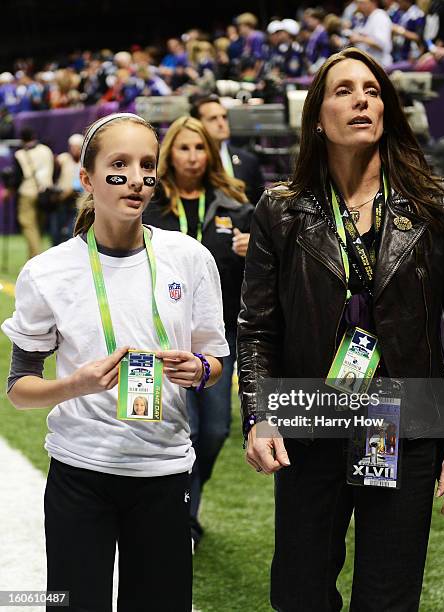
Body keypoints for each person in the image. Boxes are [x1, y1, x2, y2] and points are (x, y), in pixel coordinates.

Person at [238, 48, 444, 611]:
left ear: (387, 110)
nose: (362, 100)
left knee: (388, 597)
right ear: (317, 114)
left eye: (372, 91)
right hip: (310, 419)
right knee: (299, 594)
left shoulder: (435, 202)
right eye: (344, 89)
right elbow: (257, 329)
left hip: (405, 420)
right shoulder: (280, 210)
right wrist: (259, 416)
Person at [2, 112, 229, 611]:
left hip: (165, 473)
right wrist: (75, 385)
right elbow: (19, 388)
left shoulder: (189, 259)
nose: (135, 178)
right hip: (81, 473)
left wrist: (200, 370)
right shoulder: (48, 272)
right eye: (118, 164)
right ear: (87, 178)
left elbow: (213, 359)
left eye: (147, 164)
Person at [143, 115, 254, 549]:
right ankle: (181, 519)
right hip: (160, 338)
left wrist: (255, 253)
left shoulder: (235, 206)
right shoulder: (150, 203)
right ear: (169, 152)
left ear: (210, 153)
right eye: (183, 147)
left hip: (215, 338)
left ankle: (186, 495)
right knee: (180, 429)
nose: (191, 156)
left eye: (199, 148)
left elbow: (263, 279)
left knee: (214, 431)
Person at [190, 94, 265, 205]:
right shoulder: (191, 161)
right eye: (213, 118)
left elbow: (259, 206)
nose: (221, 123)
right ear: (197, 123)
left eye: (224, 117)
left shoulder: (248, 161)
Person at [13, 127, 54, 259]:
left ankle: (36, 258)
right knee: (39, 227)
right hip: (45, 193)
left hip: (28, 192)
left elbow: (18, 177)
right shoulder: (46, 150)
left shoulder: (20, 154)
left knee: (28, 225)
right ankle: (31, 258)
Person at [50, 133, 84, 245]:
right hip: (61, 200)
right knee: (56, 230)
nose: (74, 150)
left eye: (77, 147)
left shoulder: (85, 163)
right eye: (72, 147)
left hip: (78, 202)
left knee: (72, 231)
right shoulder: (63, 158)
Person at [349, 0, 393, 66]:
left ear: (373, 2)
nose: (359, 6)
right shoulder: (365, 17)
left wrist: (360, 38)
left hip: (379, 65)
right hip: (367, 63)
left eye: (362, 3)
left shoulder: (380, 16)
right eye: (358, 3)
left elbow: (382, 44)